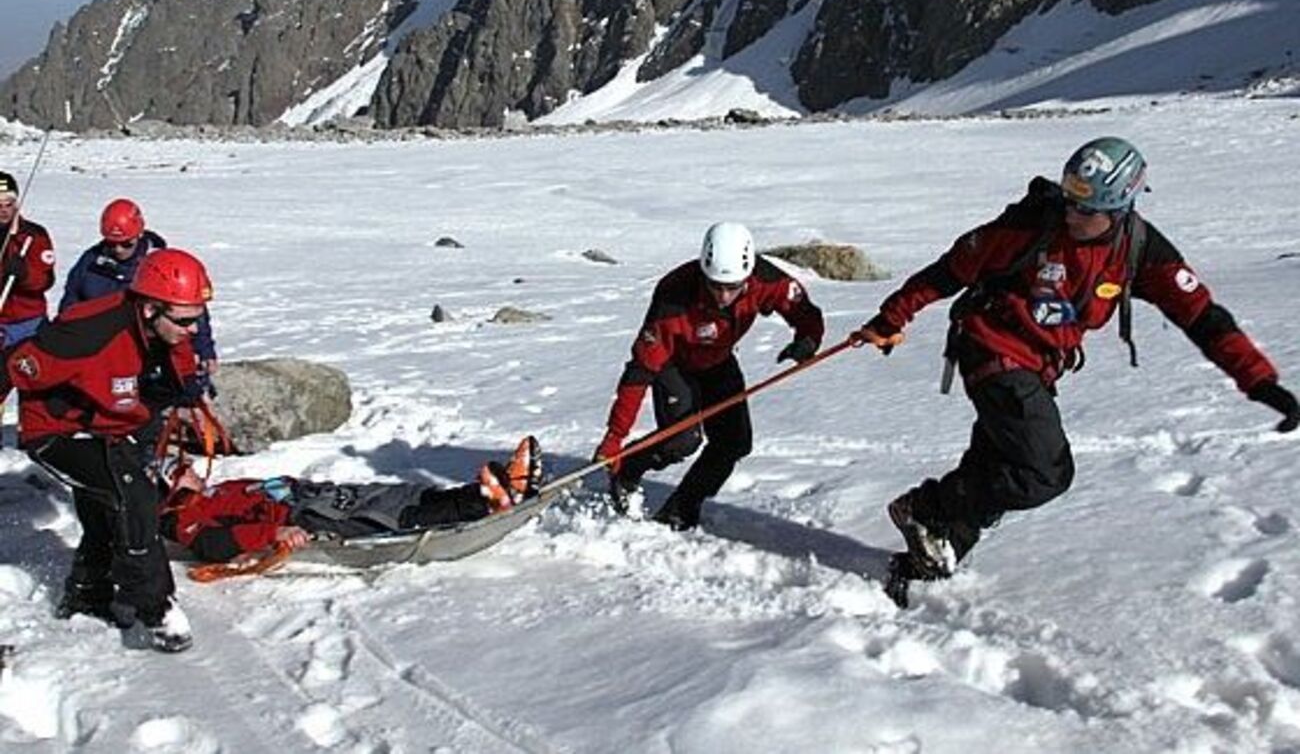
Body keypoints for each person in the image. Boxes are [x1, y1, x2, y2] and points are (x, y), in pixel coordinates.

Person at [853, 137, 1298, 582]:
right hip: (991, 348)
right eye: (1069, 201)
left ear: (1120, 208)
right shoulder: (1030, 227)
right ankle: (926, 509)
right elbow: (949, 270)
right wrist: (891, 319)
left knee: (1000, 462)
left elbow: (1203, 316)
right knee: (1044, 472)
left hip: (1039, 366)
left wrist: (1259, 381)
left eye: (1086, 210)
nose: (1071, 214)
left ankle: (929, 558)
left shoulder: (1139, 250)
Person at [3, 248, 216, 653]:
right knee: (131, 496)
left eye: (198, 318)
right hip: (58, 431)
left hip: (112, 429)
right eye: (185, 320)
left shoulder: (168, 333)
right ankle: (156, 609)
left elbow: (176, 377)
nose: (193, 329)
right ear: (150, 308)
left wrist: (187, 400)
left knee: (107, 503)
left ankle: (87, 594)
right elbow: (17, 364)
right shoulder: (88, 332)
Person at [594, 222, 825, 530]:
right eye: (716, 286)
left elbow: (803, 310)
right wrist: (614, 436)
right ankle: (627, 469)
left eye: (733, 287)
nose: (724, 296)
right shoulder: (673, 299)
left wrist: (808, 339)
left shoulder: (766, 279)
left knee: (734, 442)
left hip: (718, 359)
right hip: (673, 364)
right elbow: (639, 373)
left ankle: (681, 508)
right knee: (683, 439)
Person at [158, 436, 542, 562]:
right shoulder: (181, 517)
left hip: (316, 496)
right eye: (182, 470)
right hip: (305, 516)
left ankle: (491, 491)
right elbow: (212, 544)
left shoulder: (217, 490)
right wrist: (273, 533)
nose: (193, 470)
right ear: (172, 484)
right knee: (391, 514)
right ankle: (486, 502)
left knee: (401, 494)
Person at [60, 198, 219, 379]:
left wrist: (204, 350)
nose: (118, 250)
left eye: (126, 243)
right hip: (102, 349)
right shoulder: (90, 263)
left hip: (154, 350)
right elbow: (70, 305)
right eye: (111, 243)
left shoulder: (161, 265)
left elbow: (188, 311)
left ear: (139, 235)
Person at [0, 169, 55, 350]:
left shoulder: (34, 235)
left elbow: (46, 279)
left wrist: (25, 274)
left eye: (9, 204)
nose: (4, 210)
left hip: (29, 323)